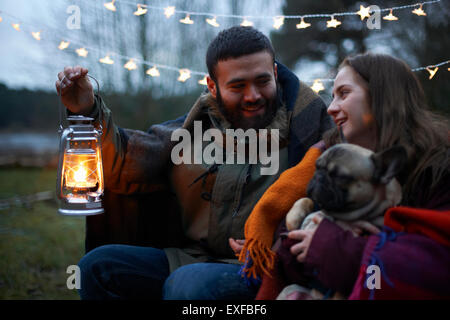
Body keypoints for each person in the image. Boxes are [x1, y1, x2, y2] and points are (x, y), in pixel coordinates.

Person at [55, 26, 334, 299]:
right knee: (97, 267)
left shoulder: (309, 134)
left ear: (275, 73)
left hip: (263, 267)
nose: (253, 96)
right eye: (238, 86)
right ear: (213, 86)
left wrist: (275, 244)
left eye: (262, 81)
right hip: (189, 259)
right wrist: (87, 111)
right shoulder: (189, 132)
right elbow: (125, 164)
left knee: (187, 285)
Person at [239, 52, 450, 299]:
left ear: (382, 98)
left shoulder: (438, 170)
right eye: (332, 96)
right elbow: (290, 263)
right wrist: (300, 244)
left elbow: (430, 273)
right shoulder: (327, 161)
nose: (330, 108)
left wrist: (333, 247)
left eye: (344, 94)